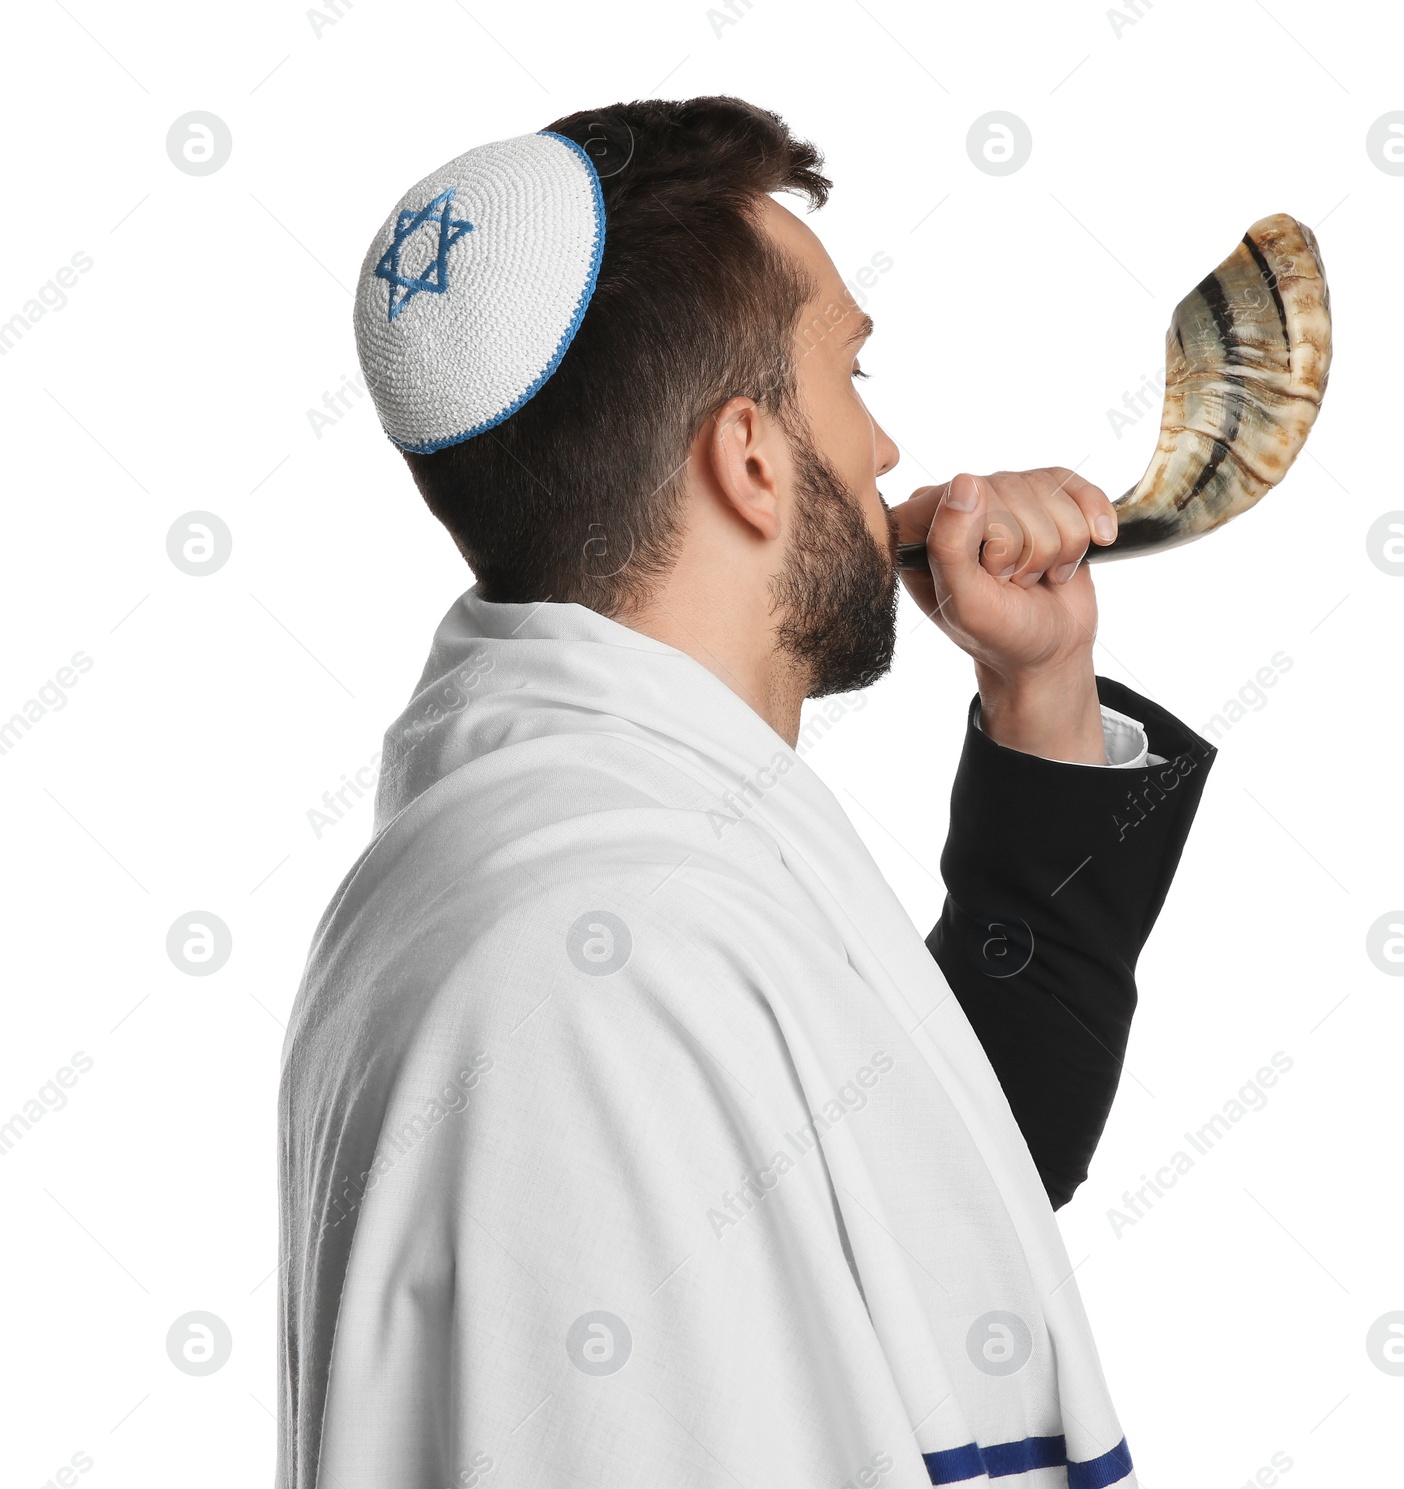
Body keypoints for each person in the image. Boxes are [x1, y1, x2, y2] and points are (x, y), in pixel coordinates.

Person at [277, 96, 1213, 1489]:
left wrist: (1043, 690)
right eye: (849, 377)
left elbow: (957, 1169)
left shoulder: (580, 835)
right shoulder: (595, 952)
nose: (886, 456)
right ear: (753, 461)